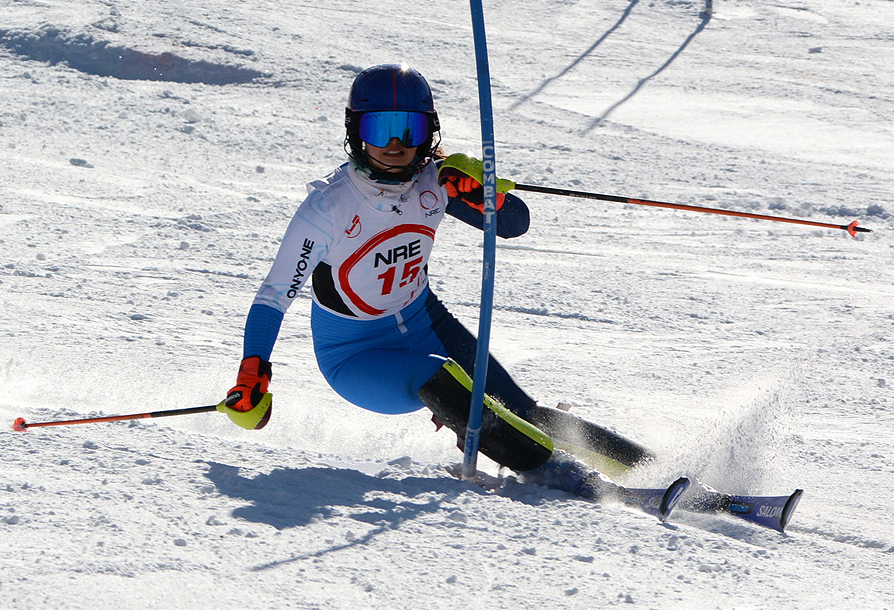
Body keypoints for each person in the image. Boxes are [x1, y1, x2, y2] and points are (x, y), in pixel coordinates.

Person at [219, 64, 651, 497]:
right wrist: (252, 371)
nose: (394, 143)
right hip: (357, 356)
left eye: (409, 129)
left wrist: (483, 193)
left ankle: (661, 472)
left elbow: (514, 224)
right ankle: (577, 481)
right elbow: (275, 294)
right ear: (356, 130)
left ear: (429, 132)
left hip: (427, 319)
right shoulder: (327, 207)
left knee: (520, 410)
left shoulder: (437, 179)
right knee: (439, 375)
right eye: (380, 127)